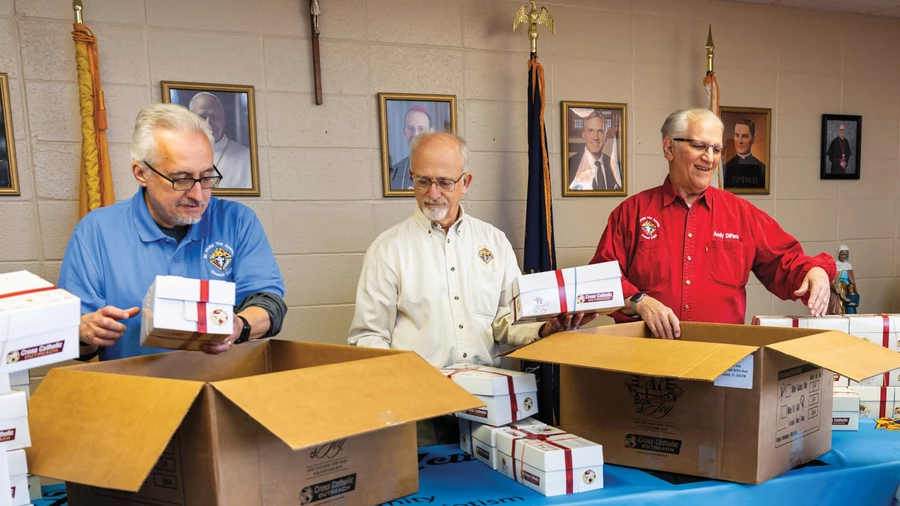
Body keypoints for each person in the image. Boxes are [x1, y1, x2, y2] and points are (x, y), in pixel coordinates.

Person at [59, 103, 286, 361]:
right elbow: (78, 344)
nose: (198, 195)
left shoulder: (237, 221)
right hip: (135, 392)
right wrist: (87, 333)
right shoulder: (96, 231)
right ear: (141, 173)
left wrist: (238, 326)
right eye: (182, 179)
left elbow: (269, 303)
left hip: (224, 386)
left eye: (207, 177)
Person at [589, 108, 836, 339]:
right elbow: (600, 282)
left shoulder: (741, 214)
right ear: (669, 148)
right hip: (647, 362)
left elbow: (784, 263)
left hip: (722, 361)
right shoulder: (631, 213)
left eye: (717, 149)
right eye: (699, 146)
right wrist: (640, 302)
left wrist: (814, 271)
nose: (709, 158)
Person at [188, 92, 252, 189]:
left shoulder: (246, 157)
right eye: (202, 117)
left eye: (213, 116)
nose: (208, 123)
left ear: (223, 120)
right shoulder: (179, 156)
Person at [569, 112, 622, 191]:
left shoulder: (615, 166)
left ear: (606, 136)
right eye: (590, 131)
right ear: (584, 135)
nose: (595, 137)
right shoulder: (569, 164)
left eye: (600, 131)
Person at [389, 106, 432, 190]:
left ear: (430, 133)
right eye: (410, 128)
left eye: (421, 129)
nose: (415, 135)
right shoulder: (395, 172)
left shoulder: (442, 167)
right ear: (404, 132)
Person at [723, 117, 765, 189]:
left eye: (744, 136)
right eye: (737, 135)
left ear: (753, 139)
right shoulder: (725, 168)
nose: (740, 141)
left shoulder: (763, 169)